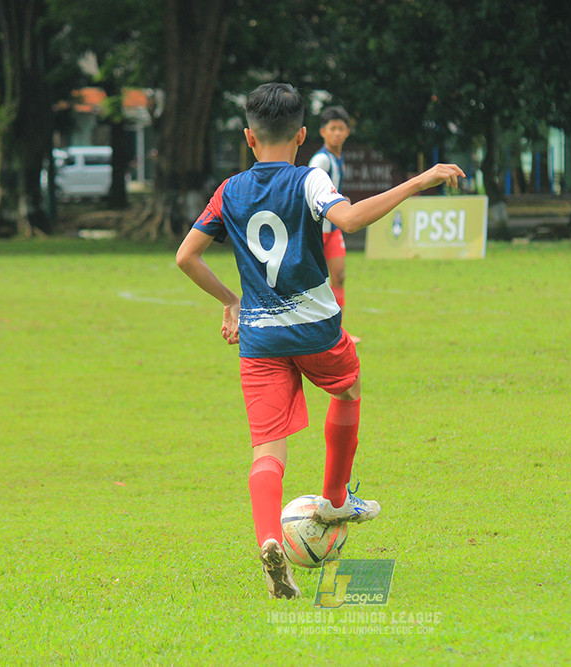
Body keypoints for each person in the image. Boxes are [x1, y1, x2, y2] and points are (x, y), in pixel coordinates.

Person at [175, 83, 464, 599]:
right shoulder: (309, 178)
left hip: (259, 338)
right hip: (316, 328)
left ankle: (269, 539)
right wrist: (419, 180)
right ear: (303, 135)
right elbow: (348, 219)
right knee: (347, 392)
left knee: (267, 449)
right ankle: (334, 498)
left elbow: (186, 257)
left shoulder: (230, 190)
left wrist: (232, 301)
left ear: (248, 137)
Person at [308, 106, 360, 344]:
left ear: (348, 132)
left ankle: (338, 332)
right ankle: (314, 331)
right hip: (318, 231)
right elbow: (310, 190)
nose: (337, 133)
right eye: (333, 129)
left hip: (333, 228)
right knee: (315, 283)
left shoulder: (339, 159)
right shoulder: (321, 159)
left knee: (338, 276)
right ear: (322, 132)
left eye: (341, 129)